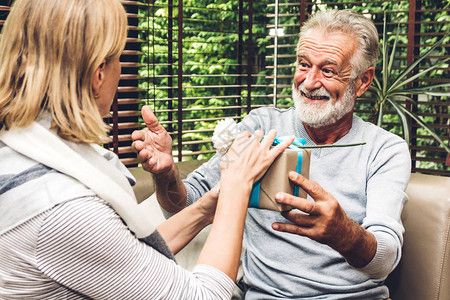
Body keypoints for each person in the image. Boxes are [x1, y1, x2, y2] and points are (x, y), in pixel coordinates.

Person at [0, 0, 294, 298]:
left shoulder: (22, 155)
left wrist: (207, 209)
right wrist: (235, 186)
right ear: (97, 75)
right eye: (118, 57)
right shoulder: (62, 206)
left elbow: (122, 256)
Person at [132, 9, 411, 299]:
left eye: (328, 70)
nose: (309, 81)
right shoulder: (262, 127)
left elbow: (385, 260)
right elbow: (186, 206)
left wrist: (344, 233)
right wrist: (166, 174)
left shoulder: (385, 150)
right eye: (304, 65)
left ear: (363, 81)